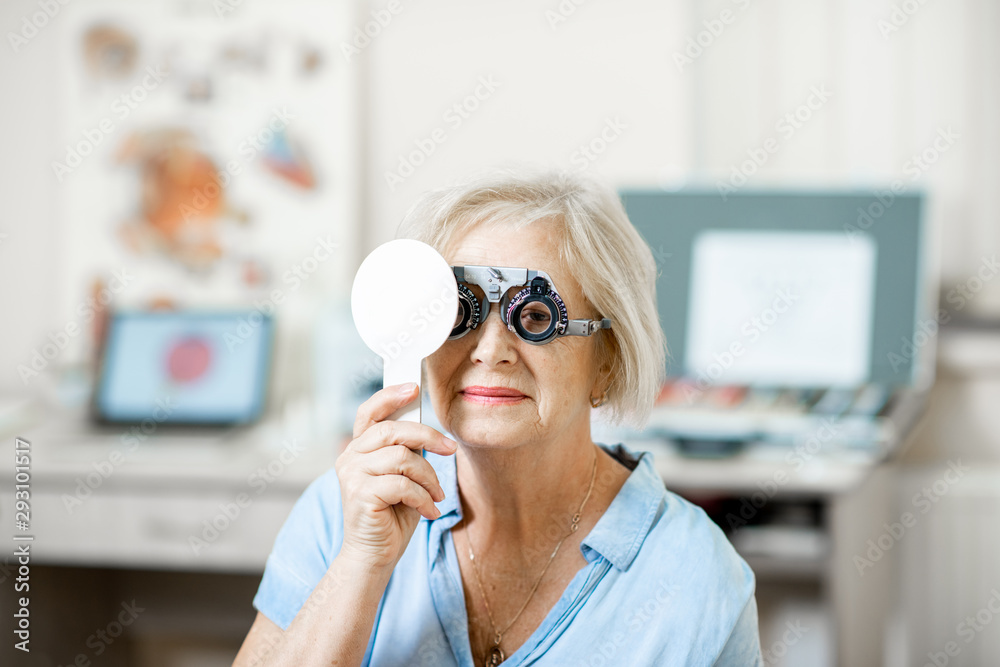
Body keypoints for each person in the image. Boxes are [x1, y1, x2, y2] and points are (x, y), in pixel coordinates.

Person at [233, 168, 763, 666]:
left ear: (607, 361)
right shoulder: (345, 511)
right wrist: (359, 567)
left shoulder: (695, 577)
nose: (489, 350)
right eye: (460, 313)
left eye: (534, 316)